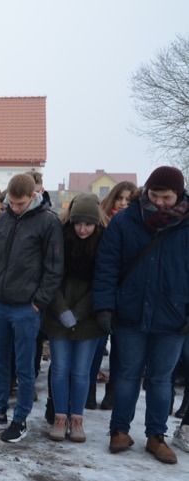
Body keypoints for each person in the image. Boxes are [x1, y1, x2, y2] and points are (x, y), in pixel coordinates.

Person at [93, 166, 189, 465]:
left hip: (173, 316)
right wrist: (105, 306)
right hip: (130, 312)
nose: (160, 202)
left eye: (167, 197)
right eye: (155, 195)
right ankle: (119, 430)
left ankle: (156, 436)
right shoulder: (125, 220)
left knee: (162, 379)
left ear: (180, 195)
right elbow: (107, 266)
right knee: (126, 374)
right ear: (146, 191)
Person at [0, 173, 63, 442]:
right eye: (11, 202)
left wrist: (38, 302)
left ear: (32, 197)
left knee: (24, 367)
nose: (15, 207)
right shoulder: (4, 218)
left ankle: (20, 419)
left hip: (26, 307)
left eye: (20, 204)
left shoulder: (48, 222)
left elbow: (54, 268)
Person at [42, 193, 105, 442]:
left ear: (96, 224)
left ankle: (76, 418)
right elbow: (51, 275)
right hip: (59, 312)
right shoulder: (61, 239)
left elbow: (102, 282)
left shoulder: (103, 243)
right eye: (78, 223)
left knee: (81, 371)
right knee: (59, 369)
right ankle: (59, 416)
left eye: (88, 224)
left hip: (88, 317)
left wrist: (78, 313)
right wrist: (61, 308)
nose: (82, 229)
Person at [88, 181, 139, 409]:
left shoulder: (136, 225)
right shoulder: (101, 222)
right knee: (96, 346)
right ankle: (88, 391)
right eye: (120, 198)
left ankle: (112, 393)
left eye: (129, 200)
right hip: (102, 289)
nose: (124, 203)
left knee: (120, 350)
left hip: (127, 293)